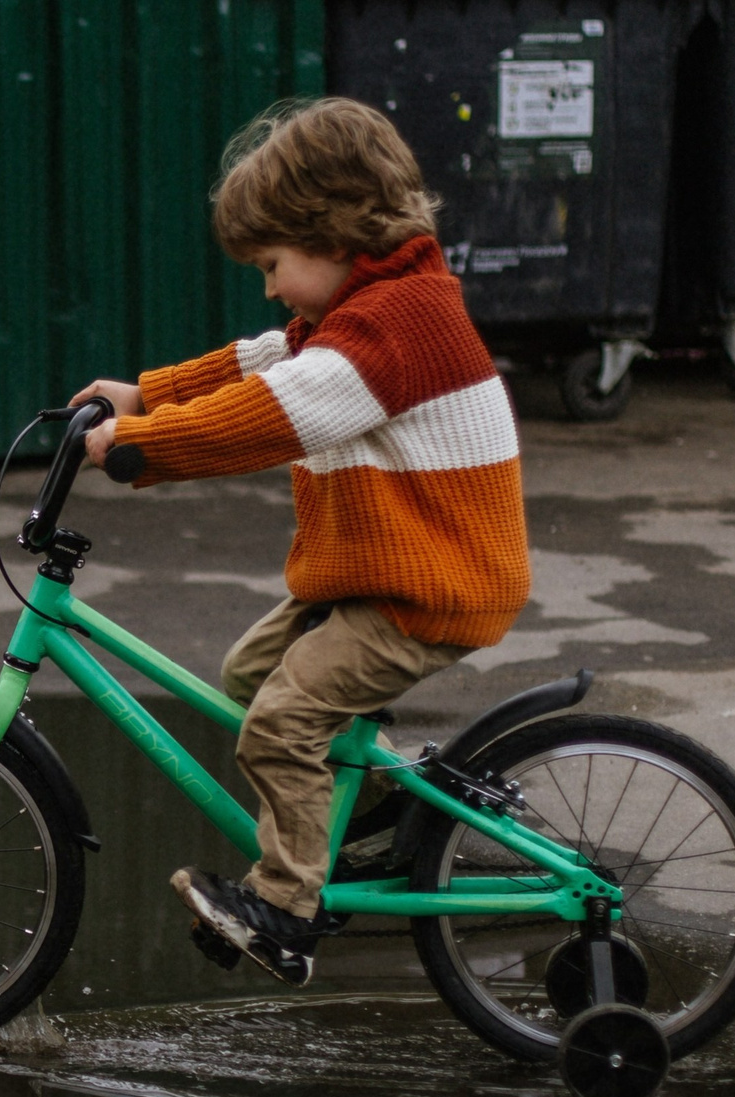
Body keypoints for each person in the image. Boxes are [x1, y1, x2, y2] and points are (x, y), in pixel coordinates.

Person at [70, 98, 529, 985]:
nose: (271, 285)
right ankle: (392, 816)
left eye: (274, 263)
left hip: (429, 588)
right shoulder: (360, 311)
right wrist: (145, 394)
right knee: (249, 676)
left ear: (334, 233)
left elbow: (270, 412)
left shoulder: (396, 327)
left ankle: (284, 908)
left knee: (280, 725)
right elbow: (263, 359)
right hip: (382, 571)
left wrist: (141, 445)